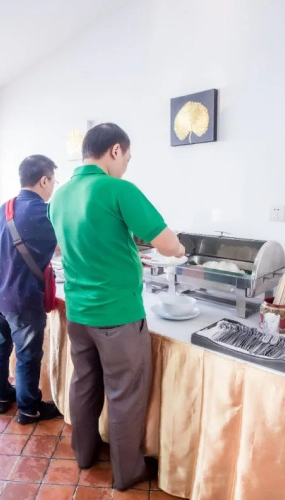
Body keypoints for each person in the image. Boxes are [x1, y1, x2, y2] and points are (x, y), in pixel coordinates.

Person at [48, 123, 185, 490]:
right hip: (117, 316)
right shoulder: (118, 189)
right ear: (114, 150)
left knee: (85, 383)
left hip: (78, 312)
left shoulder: (59, 196)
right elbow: (168, 244)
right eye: (127, 157)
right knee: (125, 394)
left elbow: (78, 243)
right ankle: (128, 472)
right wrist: (179, 250)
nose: (126, 164)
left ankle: (84, 454)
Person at [0, 155, 62, 424]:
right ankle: (29, 409)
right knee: (27, 356)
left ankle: (2, 397)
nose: (52, 187)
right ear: (44, 180)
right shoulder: (45, 212)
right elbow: (66, 245)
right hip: (21, 298)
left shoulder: (5, 207)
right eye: (53, 181)